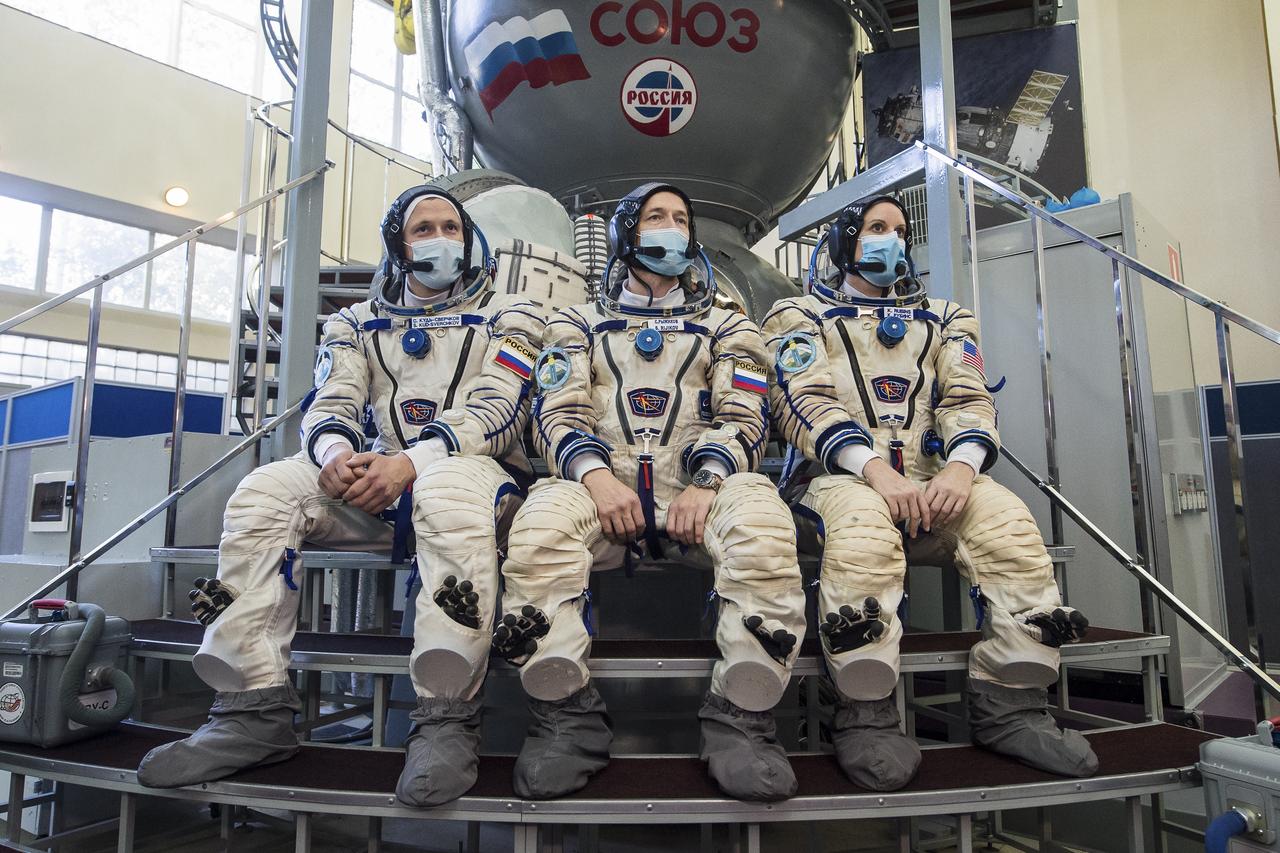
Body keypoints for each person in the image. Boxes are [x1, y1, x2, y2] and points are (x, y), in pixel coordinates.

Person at [137, 186, 546, 809]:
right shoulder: (353, 323)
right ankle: (251, 712)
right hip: (373, 480)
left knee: (446, 492)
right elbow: (329, 404)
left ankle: (445, 721)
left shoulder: (513, 316)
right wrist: (333, 459)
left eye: (451, 228)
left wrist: (411, 462)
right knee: (265, 491)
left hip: (475, 478)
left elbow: (500, 410)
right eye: (423, 229)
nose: (441, 239)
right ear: (398, 245)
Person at [761, 195, 1097, 791]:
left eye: (899, 230)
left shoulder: (945, 320)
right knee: (864, 535)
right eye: (875, 229)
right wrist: (875, 471)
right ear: (843, 243)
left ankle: (1012, 705)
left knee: (1007, 526)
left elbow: (968, 400)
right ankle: (866, 714)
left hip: (930, 478)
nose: (891, 239)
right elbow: (804, 405)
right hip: (836, 481)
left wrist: (962, 469)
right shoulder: (798, 317)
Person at [491, 182, 806, 802]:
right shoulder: (575, 324)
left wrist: (708, 481)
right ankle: (565, 719)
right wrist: (598, 478)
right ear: (625, 234)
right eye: (656, 216)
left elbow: (745, 415)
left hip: (699, 491)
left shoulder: (728, 325)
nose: (671, 228)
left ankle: (741, 719)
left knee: (765, 530)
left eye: (681, 219)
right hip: (599, 490)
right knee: (538, 533)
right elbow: (557, 413)